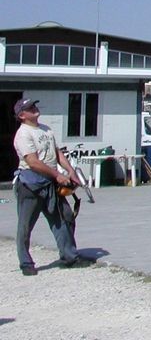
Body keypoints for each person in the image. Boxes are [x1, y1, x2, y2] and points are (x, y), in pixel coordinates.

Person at [12, 98, 90, 275]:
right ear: (22, 115)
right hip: (30, 185)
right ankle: (26, 263)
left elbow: (57, 153)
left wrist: (70, 171)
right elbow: (32, 162)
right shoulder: (23, 134)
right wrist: (57, 175)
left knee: (64, 218)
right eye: (29, 108)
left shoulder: (46, 129)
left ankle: (70, 257)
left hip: (50, 184)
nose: (34, 108)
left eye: (34, 105)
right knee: (25, 226)